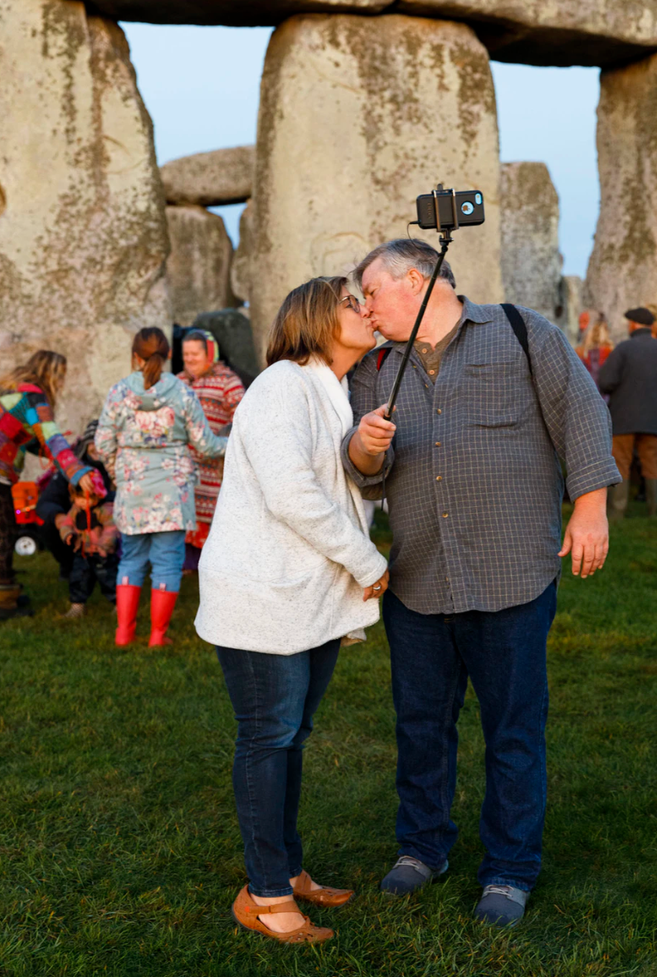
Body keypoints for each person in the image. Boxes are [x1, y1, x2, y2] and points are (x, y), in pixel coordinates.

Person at [342, 238, 619, 927]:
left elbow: (582, 414)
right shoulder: (377, 368)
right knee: (420, 728)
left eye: (371, 293)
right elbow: (366, 473)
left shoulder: (523, 332)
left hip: (513, 573)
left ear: (415, 278)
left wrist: (589, 507)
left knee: (514, 732)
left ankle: (509, 869)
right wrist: (362, 451)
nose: (366, 309)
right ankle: (423, 847)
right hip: (418, 578)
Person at [195, 277, 389, 944]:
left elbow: (348, 485)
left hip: (306, 598)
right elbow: (294, 495)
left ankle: (287, 868)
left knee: (290, 739)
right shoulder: (282, 384)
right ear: (315, 318)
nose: (366, 311)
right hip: (262, 596)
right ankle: (266, 894)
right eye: (351, 302)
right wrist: (369, 561)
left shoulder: (336, 390)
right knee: (269, 738)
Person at [95, 327, 227, 648]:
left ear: (135, 357)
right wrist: (233, 441)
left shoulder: (118, 393)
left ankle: (124, 633)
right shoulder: (181, 392)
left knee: (131, 560)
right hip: (173, 489)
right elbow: (206, 445)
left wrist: (119, 475)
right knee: (168, 561)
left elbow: (102, 443)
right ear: (169, 355)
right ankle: (157, 636)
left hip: (132, 488)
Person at [0, 350, 94, 620]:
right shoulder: (34, 397)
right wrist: (76, 471)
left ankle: (7, 590)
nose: (62, 383)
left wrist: (63, 454)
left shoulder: (12, 392)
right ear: (51, 374)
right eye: (61, 376)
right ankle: (4, 602)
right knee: (5, 536)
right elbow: (51, 439)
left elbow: (25, 439)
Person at [598, 307, 657, 520]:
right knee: (651, 462)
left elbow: (605, 381)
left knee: (620, 462)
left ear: (633, 324)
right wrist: (654, 398)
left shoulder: (624, 349)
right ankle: (653, 510)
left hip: (623, 416)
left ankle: (617, 512)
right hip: (652, 417)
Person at [177, 330, 245, 571]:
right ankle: (185, 567)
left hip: (215, 466)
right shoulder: (178, 382)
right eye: (186, 354)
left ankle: (214, 567)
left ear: (209, 353)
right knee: (185, 516)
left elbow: (243, 419)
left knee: (216, 521)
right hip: (183, 469)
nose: (190, 359)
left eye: (195, 353)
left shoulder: (228, 381)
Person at [36, 419, 114, 582]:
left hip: (107, 525)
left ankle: (115, 570)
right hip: (77, 526)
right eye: (93, 442)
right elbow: (45, 503)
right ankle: (68, 565)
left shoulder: (119, 469)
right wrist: (61, 520)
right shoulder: (71, 470)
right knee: (47, 521)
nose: (97, 447)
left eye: (104, 442)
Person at [58, 471, 119, 618]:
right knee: (79, 578)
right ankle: (78, 605)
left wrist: (105, 544)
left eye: (87, 498)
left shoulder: (105, 510)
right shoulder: (75, 511)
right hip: (83, 552)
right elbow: (66, 524)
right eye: (78, 498)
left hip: (102, 553)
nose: (83, 502)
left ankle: (120, 604)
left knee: (109, 579)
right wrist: (68, 535)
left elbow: (111, 528)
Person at [575, 312, 613, 391]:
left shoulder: (606, 351)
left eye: (585, 322)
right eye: (579, 323)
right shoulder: (578, 351)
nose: (581, 327)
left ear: (595, 325)